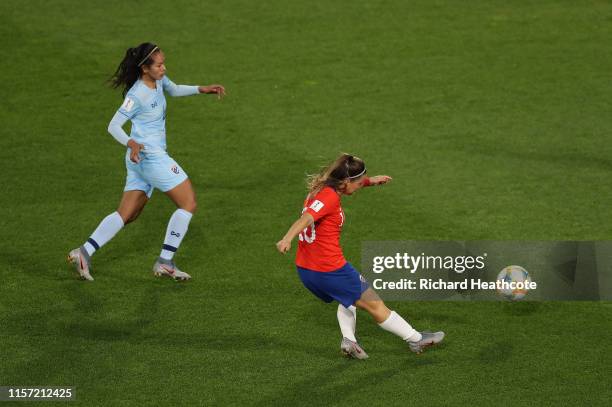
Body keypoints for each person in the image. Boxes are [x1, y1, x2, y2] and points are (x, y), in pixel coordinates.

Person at [68, 42, 225, 281]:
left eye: (163, 63)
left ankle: (84, 252)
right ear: (145, 69)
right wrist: (131, 143)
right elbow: (113, 126)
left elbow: (174, 89)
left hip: (140, 160)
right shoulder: (137, 94)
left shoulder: (159, 80)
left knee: (128, 214)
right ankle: (165, 262)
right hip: (150, 157)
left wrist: (202, 89)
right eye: (159, 65)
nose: (164, 68)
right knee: (188, 203)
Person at [276, 154, 444, 358]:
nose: (357, 187)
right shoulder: (329, 197)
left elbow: (322, 204)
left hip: (306, 270)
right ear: (345, 181)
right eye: (357, 183)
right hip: (330, 269)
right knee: (375, 304)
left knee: (347, 297)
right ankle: (416, 340)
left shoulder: (320, 190)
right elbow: (307, 218)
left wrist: (369, 182)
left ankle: (349, 341)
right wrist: (287, 238)